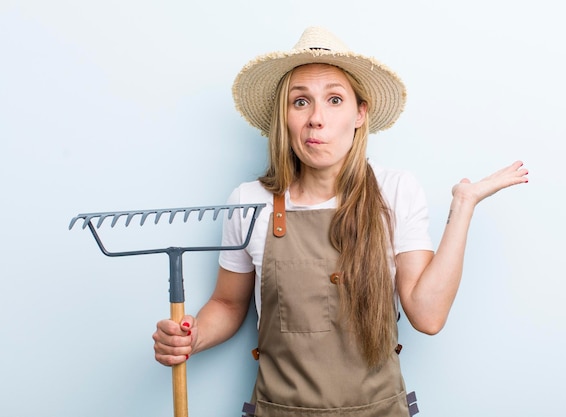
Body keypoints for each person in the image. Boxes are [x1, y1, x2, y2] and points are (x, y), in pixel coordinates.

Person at [152, 26, 528, 416]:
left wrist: (463, 206)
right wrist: (191, 337)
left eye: (334, 100)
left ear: (360, 113)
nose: (317, 119)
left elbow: (428, 315)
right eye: (300, 102)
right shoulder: (250, 202)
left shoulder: (395, 191)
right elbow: (228, 305)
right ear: (285, 116)